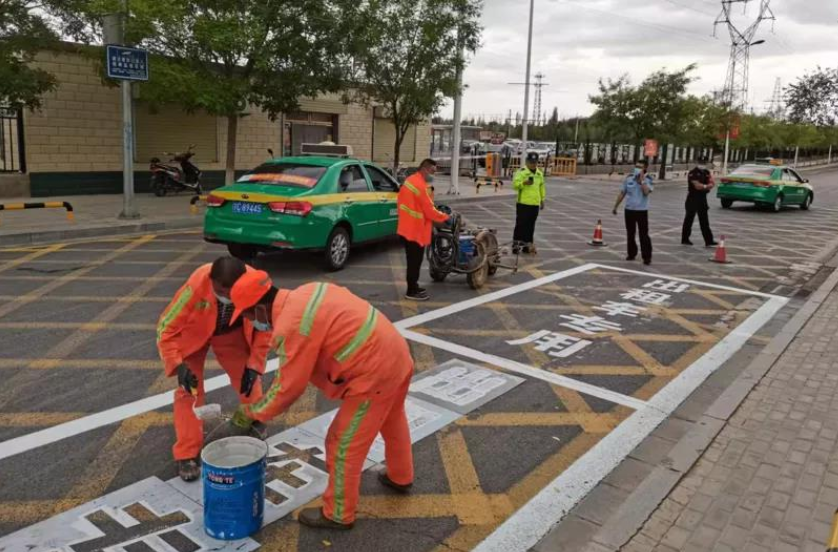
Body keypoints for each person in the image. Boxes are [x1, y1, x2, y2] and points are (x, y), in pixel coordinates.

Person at [223, 271, 415, 530]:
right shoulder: (307, 291)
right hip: (397, 355)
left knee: (341, 444)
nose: (248, 322)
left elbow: (288, 389)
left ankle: (338, 514)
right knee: (392, 420)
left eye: (246, 316)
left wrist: (253, 412)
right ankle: (400, 476)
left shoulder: (292, 325)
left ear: (258, 309)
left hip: (374, 376)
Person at [157, 256, 271, 482]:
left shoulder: (256, 284)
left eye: (233, 292)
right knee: (189, 390)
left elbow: (264, 329)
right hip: (195, 334)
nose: (228, 297)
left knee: (247, 378)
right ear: (211, 280)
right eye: (221, 291)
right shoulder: (196, 284)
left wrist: (256, 363)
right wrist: (178, 365)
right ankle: (187, 453)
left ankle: (255, 419)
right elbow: (166, 328)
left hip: (232, 332)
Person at [397, 158, 449, 301]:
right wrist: (445, 218)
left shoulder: (411, 180)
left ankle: (414, 286)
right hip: (414, 230)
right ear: (425, 169)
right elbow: (429, 210)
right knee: (414, 262)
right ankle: (411, 291)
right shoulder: (419, 185)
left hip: (407, 227)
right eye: (432, 171)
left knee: (413, 261)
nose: (433, 174)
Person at [613, 160, 654, 265]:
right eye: (636, 166)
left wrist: (642, 181)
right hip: (629, 210)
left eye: (640, 167)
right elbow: (622, 193)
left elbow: (646, 192)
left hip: (642, 211)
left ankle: (647, 256)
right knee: (630, 233)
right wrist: (615, 207)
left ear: (645, 168)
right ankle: (631, 253)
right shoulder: (629, 178)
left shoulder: (648, 179)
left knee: (643, 234)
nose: (637, 168)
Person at [512, 151, 546, 254]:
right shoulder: (521, 172)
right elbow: (515, 185)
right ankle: (516, 245)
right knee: (520, 225)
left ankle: (527, 245)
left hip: (534, 204)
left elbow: (541, 187)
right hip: (523, 203)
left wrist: (542, 199)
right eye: (531, 162)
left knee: (531, 225)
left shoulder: (539, 173)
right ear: (527, 161)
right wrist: (524, 183)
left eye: (535, 162)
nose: (533, 164)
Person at [682, 158, 718, 247]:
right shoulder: (693, 173)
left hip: (702, 199)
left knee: (704, 220)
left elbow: (712, 183)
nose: (703, 164)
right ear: (697, 163)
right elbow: (697, 186)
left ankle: (709, 240)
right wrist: (706, 186)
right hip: (692, 199)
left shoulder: (706, 172)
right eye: (701, 163)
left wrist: (705, 186)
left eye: (704, 163)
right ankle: (685, 239)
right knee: (689, 219)